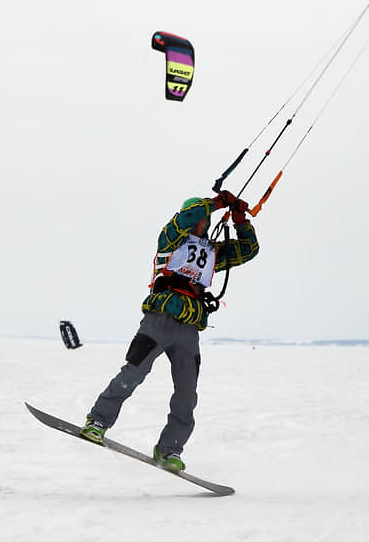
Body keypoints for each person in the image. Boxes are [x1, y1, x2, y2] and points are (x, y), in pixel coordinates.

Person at [80, 191, 259, 471]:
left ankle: (170, 450)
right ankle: (98, 421)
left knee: (187, 393)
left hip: (189, 329)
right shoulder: (171, 240)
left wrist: (240, 219)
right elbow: (188, 217)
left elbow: (248, 250)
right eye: (199, 216)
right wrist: (215, 203)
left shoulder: (211, 252)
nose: (202, 221)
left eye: (205, 218)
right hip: (159, 319)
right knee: (133, 373)